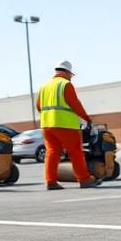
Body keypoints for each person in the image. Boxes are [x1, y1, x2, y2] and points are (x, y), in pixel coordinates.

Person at [35, 60, 101, 190]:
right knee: (75, 152)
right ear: (66, 72)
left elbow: (38, 106)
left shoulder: (44, 87)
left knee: (52, 152)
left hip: (47, 125)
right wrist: (87, 118)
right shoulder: (65, 84)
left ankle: (51, 181)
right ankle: (84, 179)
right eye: (71, 74)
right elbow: (74, 104)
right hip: (65, 126)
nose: (71, 77)